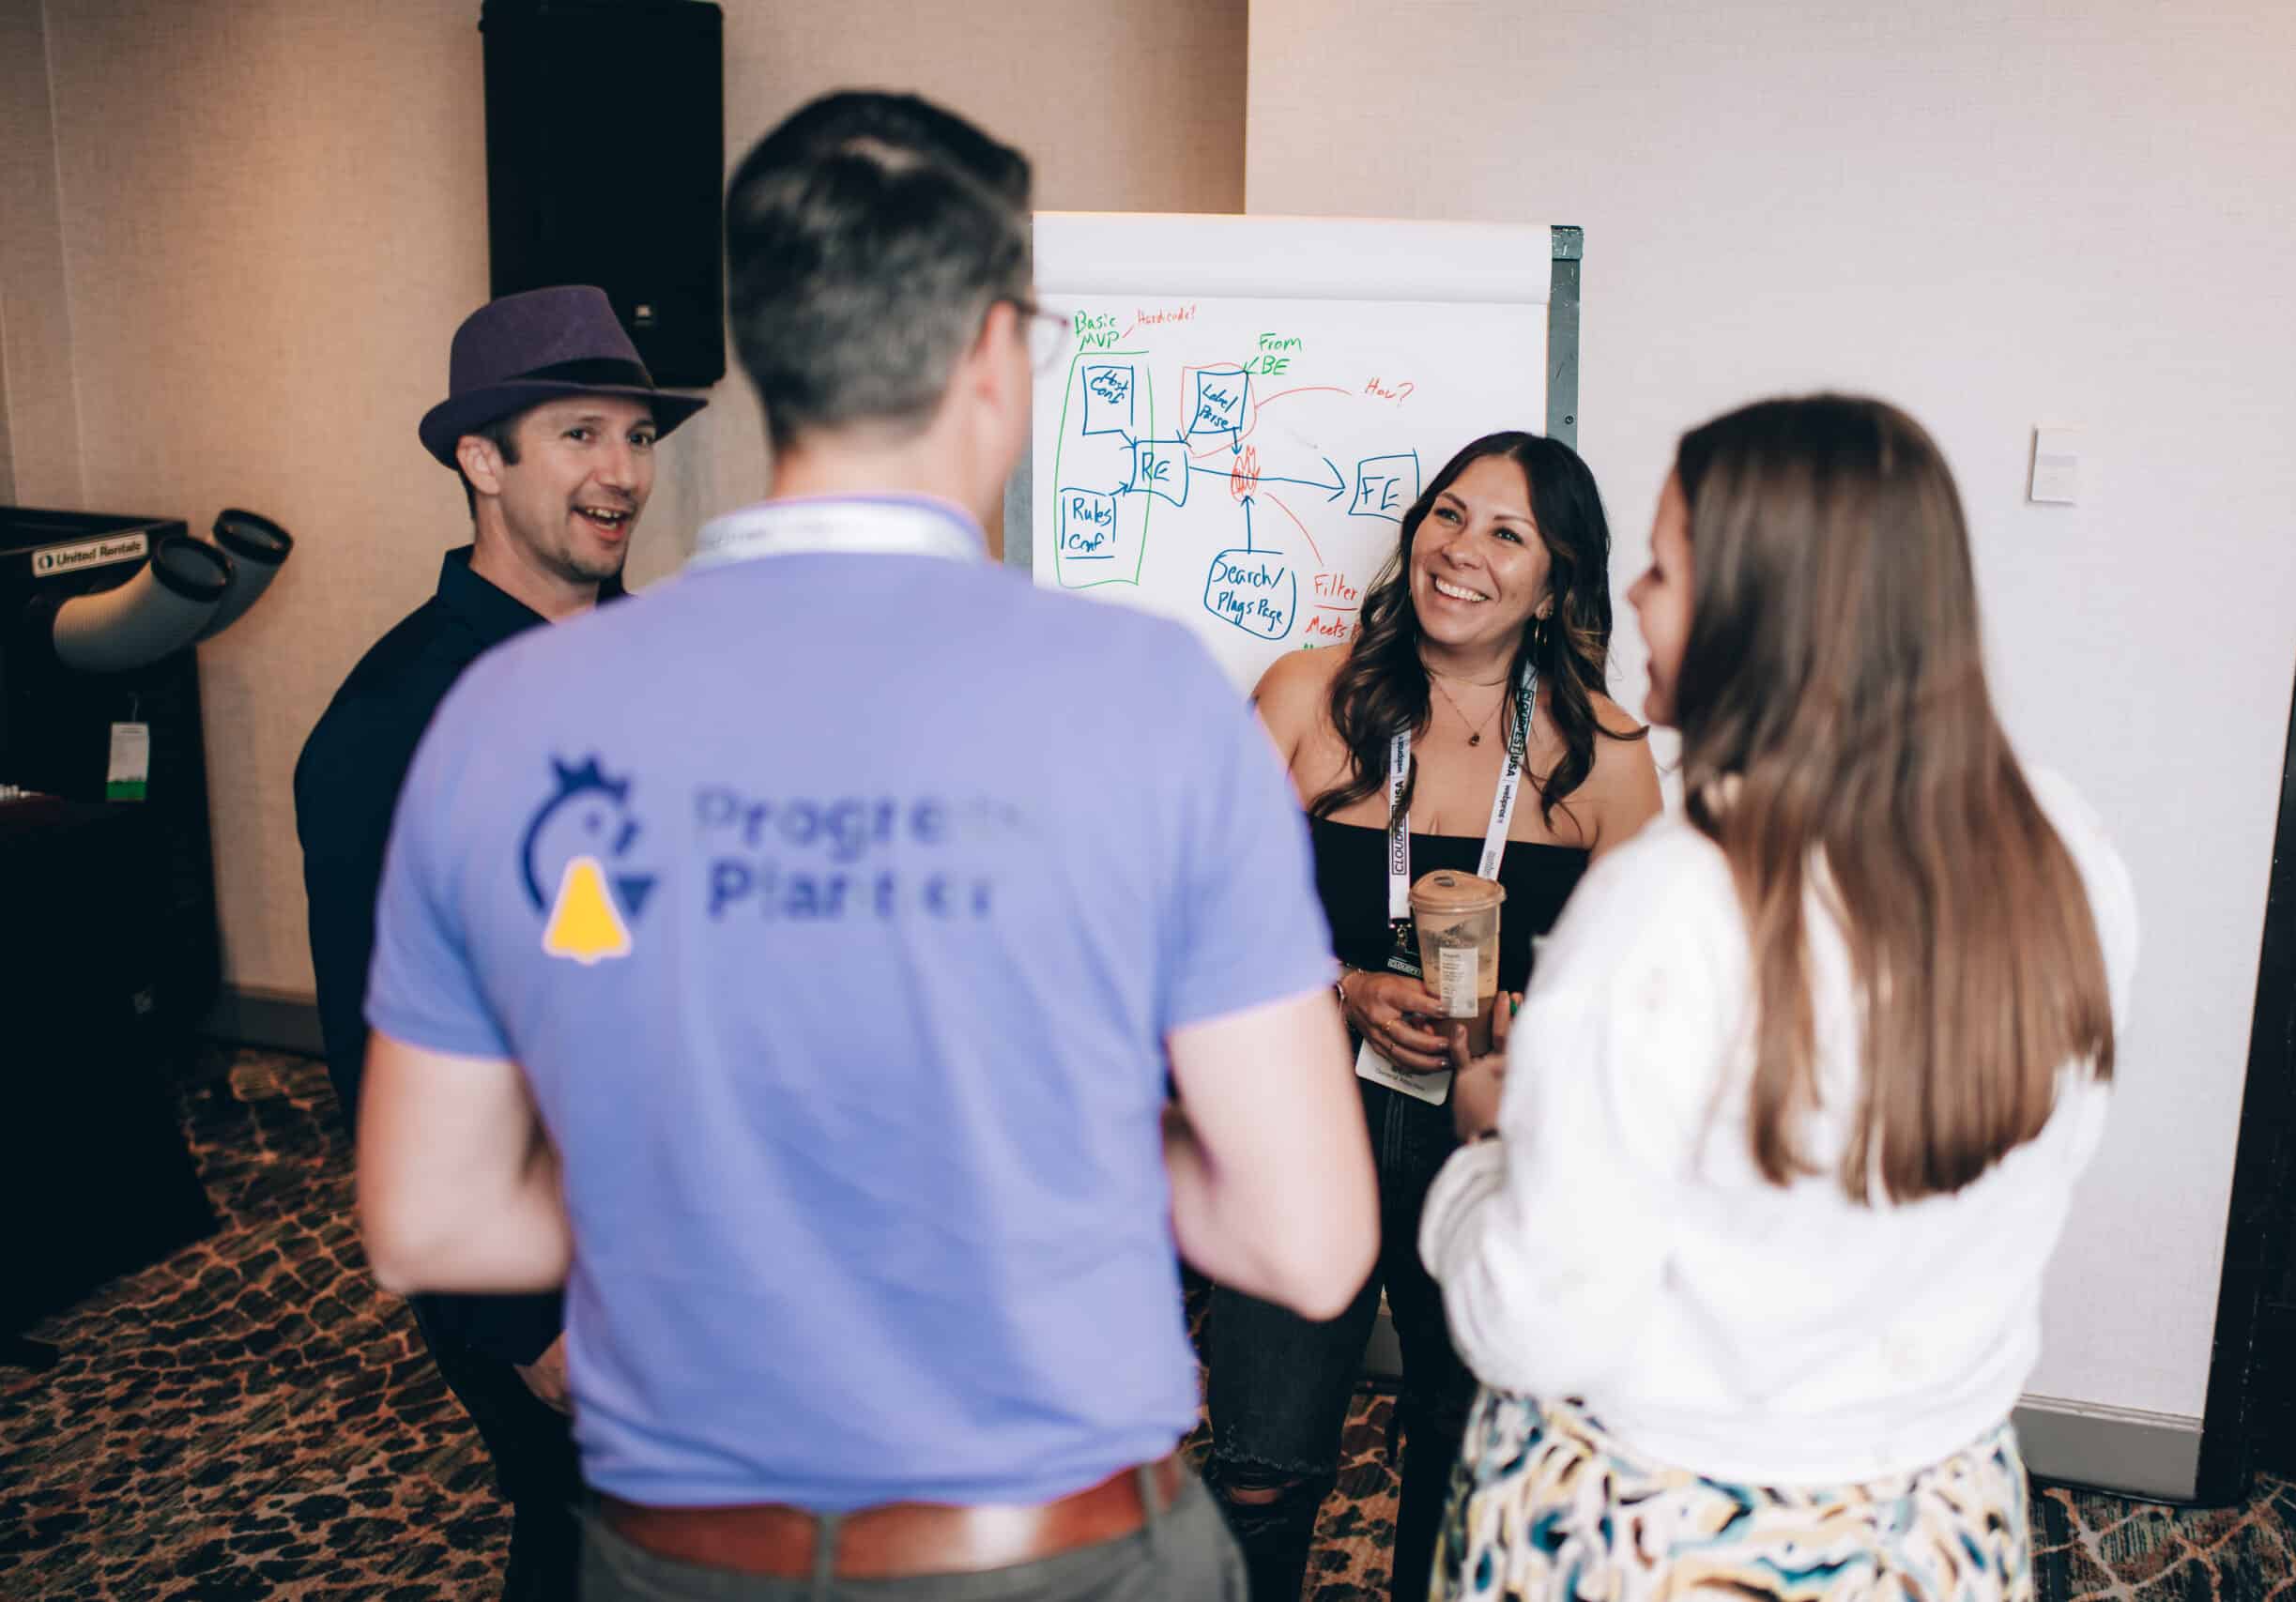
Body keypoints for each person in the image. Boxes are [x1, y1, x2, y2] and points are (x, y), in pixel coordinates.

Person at [351, 89, 1379, 1602]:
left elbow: (427, 1213)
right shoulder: (1153, 701)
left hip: (682, 1552)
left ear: (771, 361)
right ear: (995, 356)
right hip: (1054, 1553)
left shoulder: (508, 716)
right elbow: (1306, 1239)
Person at [1420, 395, 2140, 1600]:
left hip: (1666, 1530)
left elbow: (1537, 1327)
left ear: (1761, 605)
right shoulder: (2067, 848)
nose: (1634, 594)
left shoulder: (1672, 902)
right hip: (1933, 1515)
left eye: (1664, 566)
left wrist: (1489, 1150)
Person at [295, 283, 702, 1599]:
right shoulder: (393, 723)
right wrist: (519, 1316)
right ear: (482, 459)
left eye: (637, 436)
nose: (622, 472)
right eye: (580, 434)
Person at [1211, 430, 1661, 1602]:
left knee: (1469, 1467)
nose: (1459, 549)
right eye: (1447, 515)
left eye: (1506, 533)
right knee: (1258, 1464)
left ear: (1554, 584)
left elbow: (1641, 993)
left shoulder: (1609, 753)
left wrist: (1522, 1018)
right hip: (1306, 1120)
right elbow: (1209, 917)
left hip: (1493, 1138)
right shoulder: (1306, 694)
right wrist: (1345, 987)